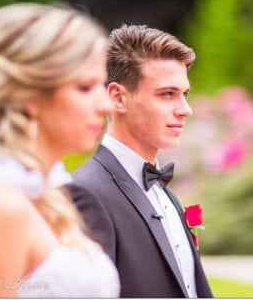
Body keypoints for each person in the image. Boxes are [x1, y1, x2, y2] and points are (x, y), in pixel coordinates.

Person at [0, 3, 120, 297]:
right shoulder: (0, 206)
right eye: (85, 87)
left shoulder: (45, 192)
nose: (105, 105)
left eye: (102, 85)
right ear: (30, 97)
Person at [68, 24, 213, 298]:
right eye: (167, 94)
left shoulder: (166, 195)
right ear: (117, 97)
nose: (185, 110)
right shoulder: (85, 194)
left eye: (185, 94)